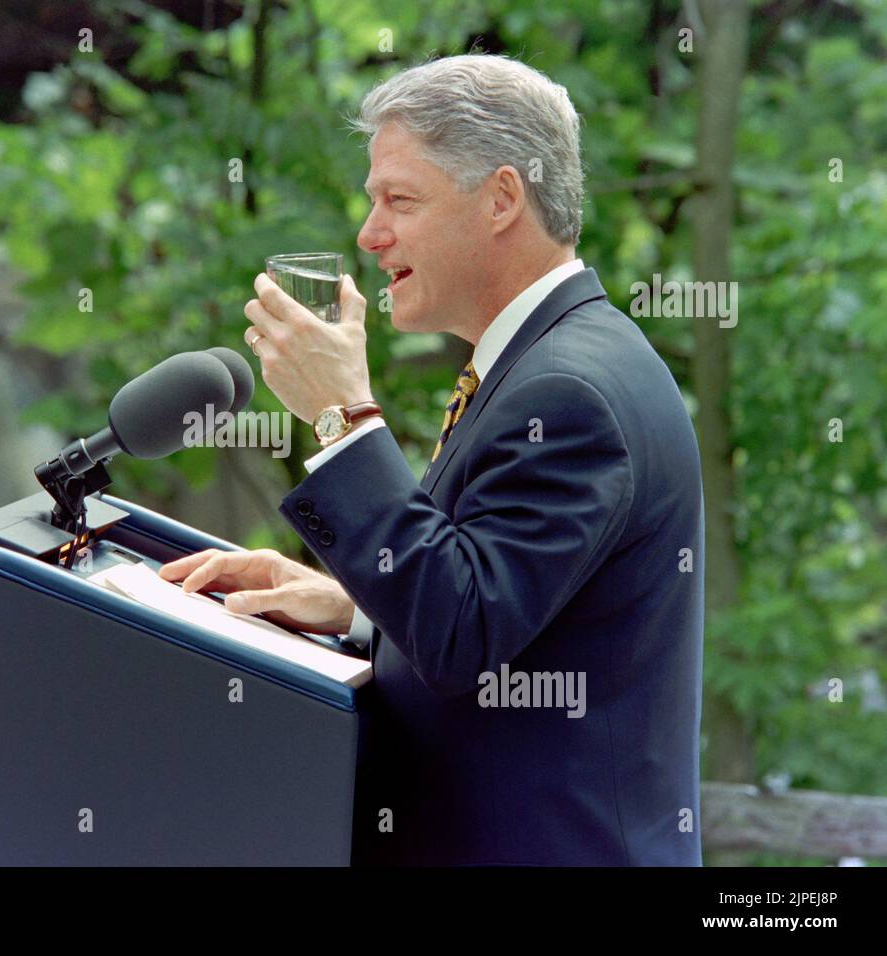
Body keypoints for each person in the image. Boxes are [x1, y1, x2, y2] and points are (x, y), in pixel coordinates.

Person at [160, 54, 704, 866]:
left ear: (502, 198)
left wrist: (342, 417)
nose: (369, 233)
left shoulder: (568, 391)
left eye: (399, 200)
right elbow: (497, 603)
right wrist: (354, 609)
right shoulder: (551, 356)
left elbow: (461, 633)